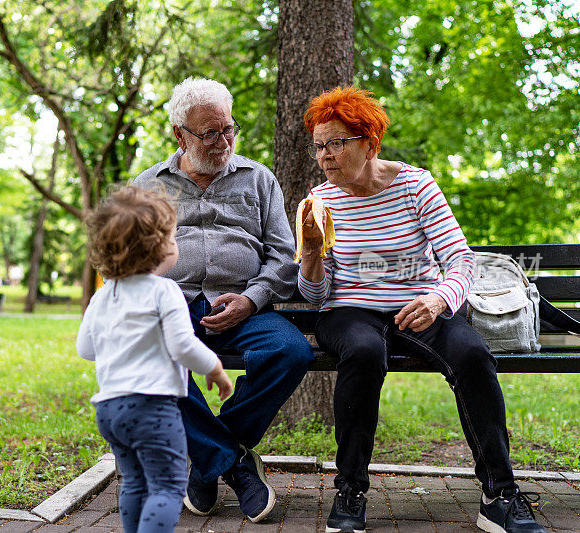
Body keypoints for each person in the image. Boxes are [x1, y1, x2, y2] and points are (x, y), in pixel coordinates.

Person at [297, 86, 548, 533]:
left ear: (369, 144)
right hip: (350, 310)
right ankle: (350, 489)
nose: (325, 156)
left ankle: (500, 494)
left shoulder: (416, 185)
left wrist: (438, 299)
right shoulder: (320, 202)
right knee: (362, 352)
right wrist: (313, 254)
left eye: (336, 143)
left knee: (472, 355)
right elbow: (317, 297)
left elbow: (461, 260)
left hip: (422, 305)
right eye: (319, 146)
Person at [133, 77, 315, 523]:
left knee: (290, 350)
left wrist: (252, 300)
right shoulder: (149, 184)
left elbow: (282, 255)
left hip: (244, 303)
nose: (223, 141)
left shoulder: (258, 179)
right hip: (169, 306)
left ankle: (207, 458)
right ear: (180, 134)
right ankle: (233, 465)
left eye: (228, 129)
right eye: (209, 133)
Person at [76, 185, 234, 533]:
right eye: (173, 238)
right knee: (166, 487)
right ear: (155, 248)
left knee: (134, 483)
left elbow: (85, 349)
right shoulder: (165, 291)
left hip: (110, 411)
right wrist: (215, 367)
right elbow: (182, 346)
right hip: (153, 409)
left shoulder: (103, 296)